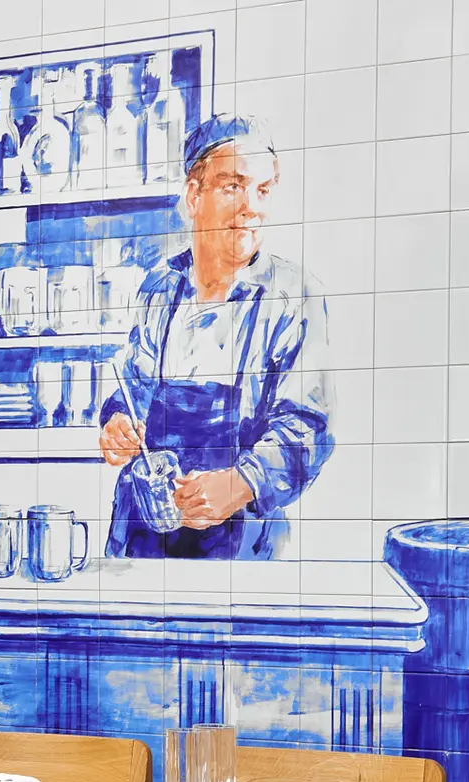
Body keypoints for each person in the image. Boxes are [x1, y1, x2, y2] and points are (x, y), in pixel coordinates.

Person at [97, 114, 333, 560]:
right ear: (193, 196)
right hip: (141, 539)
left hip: (240, 547)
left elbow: (308, 427)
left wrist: (241, 483)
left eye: (262, 190)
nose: (252, 208)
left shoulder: (291, 296)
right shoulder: (160, 287)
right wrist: (116, 424)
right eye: (232, 186)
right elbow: (132, 387)